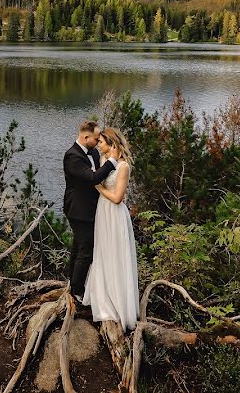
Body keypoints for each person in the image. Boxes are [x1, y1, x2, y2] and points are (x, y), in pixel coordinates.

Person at [82, 127, 139, 331]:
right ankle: (103, 297)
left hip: (115, 215)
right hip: (102, 212)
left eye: (102, 143)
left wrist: (99, 188)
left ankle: (118, 305)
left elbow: (117, 198)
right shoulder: (104, 161)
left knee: (116, 255)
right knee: (103, 253)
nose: (98, 145)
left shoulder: (123, 167)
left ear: (112, 144)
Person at [63, 120, 117, 301]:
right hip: (78, 209)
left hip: (93, 207)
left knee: (78, 246)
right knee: (86, 248)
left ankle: (73, 283)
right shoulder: (72, 157)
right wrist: (113, 162)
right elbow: (93, 178)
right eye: (96, 138)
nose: (98, 141)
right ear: (86, 137)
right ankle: (77, 291)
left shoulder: (93, 151)